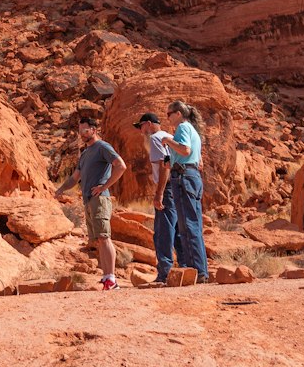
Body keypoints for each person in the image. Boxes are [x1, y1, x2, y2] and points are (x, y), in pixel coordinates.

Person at [55, 115, 127, 290]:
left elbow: (121, 166)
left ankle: (112, 279)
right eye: (80, 131)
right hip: (88, 200)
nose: (82, 134)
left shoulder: (102, 147)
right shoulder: (86, 153)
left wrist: (104, 186)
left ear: (94, 130)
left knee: (104, 237)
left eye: (85, 130)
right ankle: (106, 277)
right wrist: (60, 190)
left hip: (100, 199)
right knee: (98, 240)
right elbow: (75, 177)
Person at [159, 100, 209, 283]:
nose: (168, 118)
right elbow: (198, 161)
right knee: (194, 224)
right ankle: (200, 270)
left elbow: (185, 150)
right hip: (192, 176)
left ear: (178, 113)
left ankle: (195, 271)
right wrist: (171, 160)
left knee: (187, 226)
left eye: (169, 114)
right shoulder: (194, 131)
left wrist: (168, 141)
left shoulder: (182, 128)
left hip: (183, 178)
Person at [134, 111, 181, 284]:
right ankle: (184, 268)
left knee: (163, 230)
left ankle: (165, 273)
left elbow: (164, 165)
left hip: (167, 187)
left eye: (141, 126)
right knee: (177, 229)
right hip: (177, 186)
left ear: (148, 123)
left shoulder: (155, 138)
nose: (141, 131)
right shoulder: (169, 136)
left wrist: (159, 193)